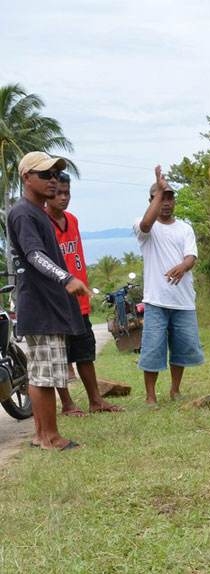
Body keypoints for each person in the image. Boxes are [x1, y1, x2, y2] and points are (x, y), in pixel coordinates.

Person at [8, 152, 91, 450]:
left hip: (44, 306)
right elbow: (34, 255)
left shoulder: (36, 212)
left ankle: (40, 434)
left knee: (42, 372)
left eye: (56, 174)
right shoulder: (24, 213)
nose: (53, 180)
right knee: (45, 374)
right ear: (26, 177)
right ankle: (50, 437)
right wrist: (66, 278)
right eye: (45, 174)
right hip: (41, 306)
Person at [45, 172, 124, 415]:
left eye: (67, 193)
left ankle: (96, 400)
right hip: (56, 303)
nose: (63, 198)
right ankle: (67, 404)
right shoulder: (42, 223)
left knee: (85, 353)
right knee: (60, 356)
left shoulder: (73, 220)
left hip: (79, 302)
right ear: (48, 194)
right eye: (58, 193)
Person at [134, 166, 204, 406]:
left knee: (182, 349)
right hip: (156, 300)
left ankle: (175, 390)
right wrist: (158, 190)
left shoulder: (185, 228)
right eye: (162, 197)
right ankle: (150, 395)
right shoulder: (146, 228)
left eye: (170, 197)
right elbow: (145, 224)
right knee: (152, 350)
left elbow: (191, 256)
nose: (167, 202)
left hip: (183, 301)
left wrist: (183, 267)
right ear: (153, 200)